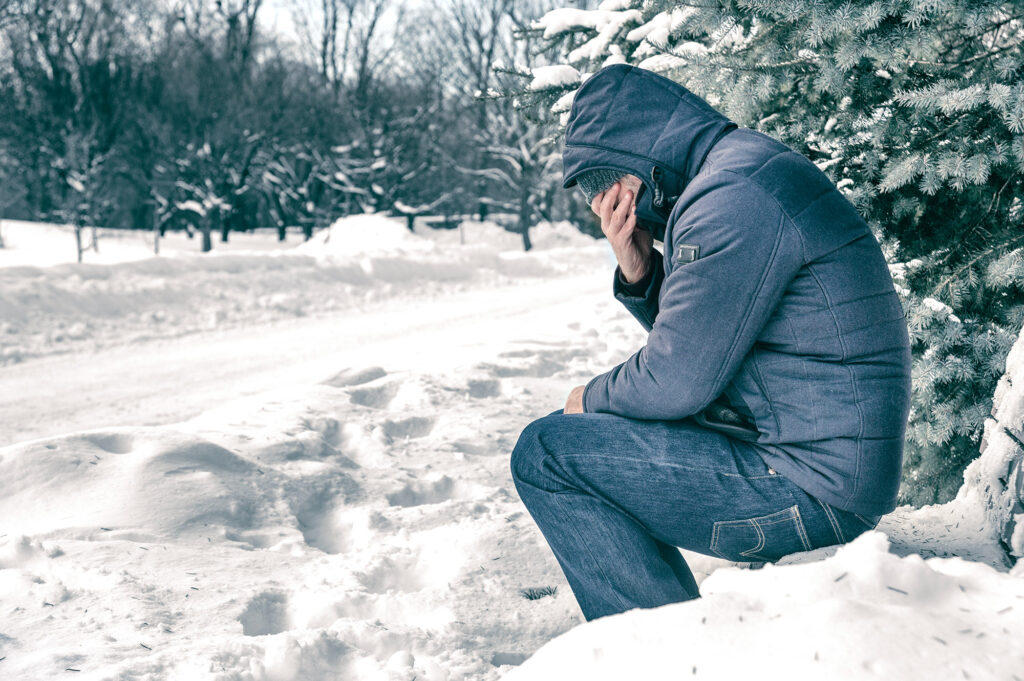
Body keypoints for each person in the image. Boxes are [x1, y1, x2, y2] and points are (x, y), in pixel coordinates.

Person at [509, 64, 912, 622]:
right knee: (582, 434)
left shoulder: (730, 197)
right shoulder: (740, 174)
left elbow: (678, 379)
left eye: (602, 185)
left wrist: (588, 397)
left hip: (810, 489)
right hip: (822, 465)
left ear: (630, 162)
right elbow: (709, 344)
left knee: (547, 453)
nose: (604, 203)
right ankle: (662, 630)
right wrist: (640, 271)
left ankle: (663, 653)